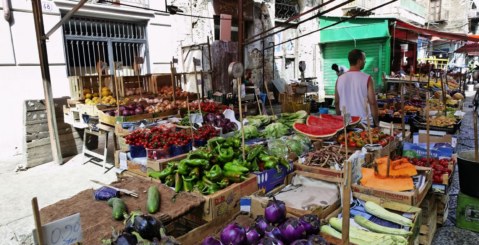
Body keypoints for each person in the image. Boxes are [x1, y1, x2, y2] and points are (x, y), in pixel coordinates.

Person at [334, 49, 379, 126]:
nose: (365, 61)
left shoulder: (339, 79)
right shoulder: (367, 78)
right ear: (359, 61)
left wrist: (340, 118)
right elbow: (372, 102)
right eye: (364, 59)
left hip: (347, 121)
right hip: (364, 122)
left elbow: (337, 102)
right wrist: (376, 123)